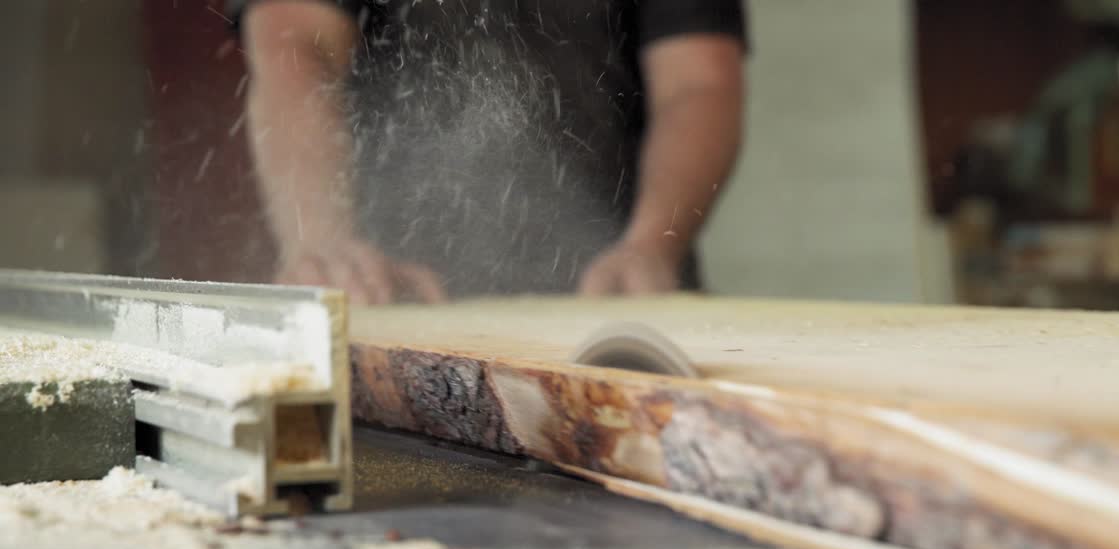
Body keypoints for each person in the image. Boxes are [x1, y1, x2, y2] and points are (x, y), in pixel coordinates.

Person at [229, 0, 748, 304]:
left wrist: (652, 244)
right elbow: (295, 46)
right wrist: (324, 244)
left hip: (619, 297)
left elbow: (698, 83)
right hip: (393, 291)